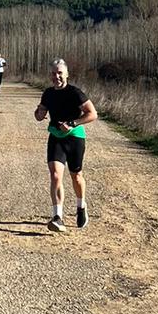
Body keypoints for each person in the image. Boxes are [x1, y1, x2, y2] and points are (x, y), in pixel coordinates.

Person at [34, 58, 97, 232]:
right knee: (55, 176)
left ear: (67, 74)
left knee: (76, 176)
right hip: (56, 137)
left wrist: (73, 123)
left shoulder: (75, 93)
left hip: (75, 138)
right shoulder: (48, 93)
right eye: (54, 74)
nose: (57, 77)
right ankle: (58, 216)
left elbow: (93, 114)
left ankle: (81, 205)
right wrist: (38, 113)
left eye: (60, 73)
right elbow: (40, 115)